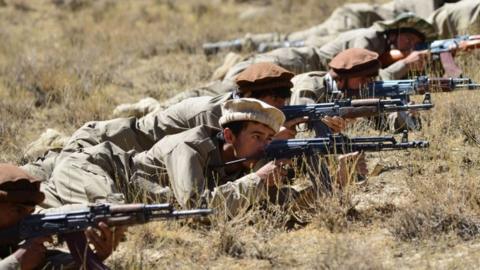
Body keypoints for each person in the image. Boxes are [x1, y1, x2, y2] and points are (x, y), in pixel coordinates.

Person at [38, 99, 360, 217]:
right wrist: (257, 179)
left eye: (267, 139)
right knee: (104, 213)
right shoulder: (189, 147)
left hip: (109, 177)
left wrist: (330, 186)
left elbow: (264, 203)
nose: (264, 146)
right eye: (257, 137)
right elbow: (196, 207)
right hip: (95, 166)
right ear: (230, 136)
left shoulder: (237, 160)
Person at [23, 63, 345, 181]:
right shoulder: (215, 116)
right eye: (274, 96)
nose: (281, 102)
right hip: (106, 143)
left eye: (284, 95)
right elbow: (221, 165)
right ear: (247, 95)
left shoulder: (247, 116)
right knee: (43, 173)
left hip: (134, 160)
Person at [216, 13, 437, 82]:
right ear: (394, 32)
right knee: (241, 83)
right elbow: (367, 77)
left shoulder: (380, 45)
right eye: (408, 40)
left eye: (414, 44)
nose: (410, 46)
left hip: (308, 71)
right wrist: (405, 63)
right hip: (302, 62)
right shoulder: (368, 38)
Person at [203, 0, 453, 55]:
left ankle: (231, 45)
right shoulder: (432, 9)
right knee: (313, 43)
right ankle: (245, 47)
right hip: (356, 21)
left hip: (356, 18)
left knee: (293, 37)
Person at [0, 164, 124, 269]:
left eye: (31, 212)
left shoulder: (14, 245)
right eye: (17, 210)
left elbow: (56, 263)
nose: (26, 218)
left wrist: (96, 256)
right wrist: (16, 262)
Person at [291, 47, 420, 132]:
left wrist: (404, 114)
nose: (367, 84)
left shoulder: (353, 92)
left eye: (370, 79)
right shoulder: (308, 89)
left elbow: (383, 123)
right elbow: (304, 132)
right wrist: (330, 126)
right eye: (362, 79)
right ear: (341, 79)